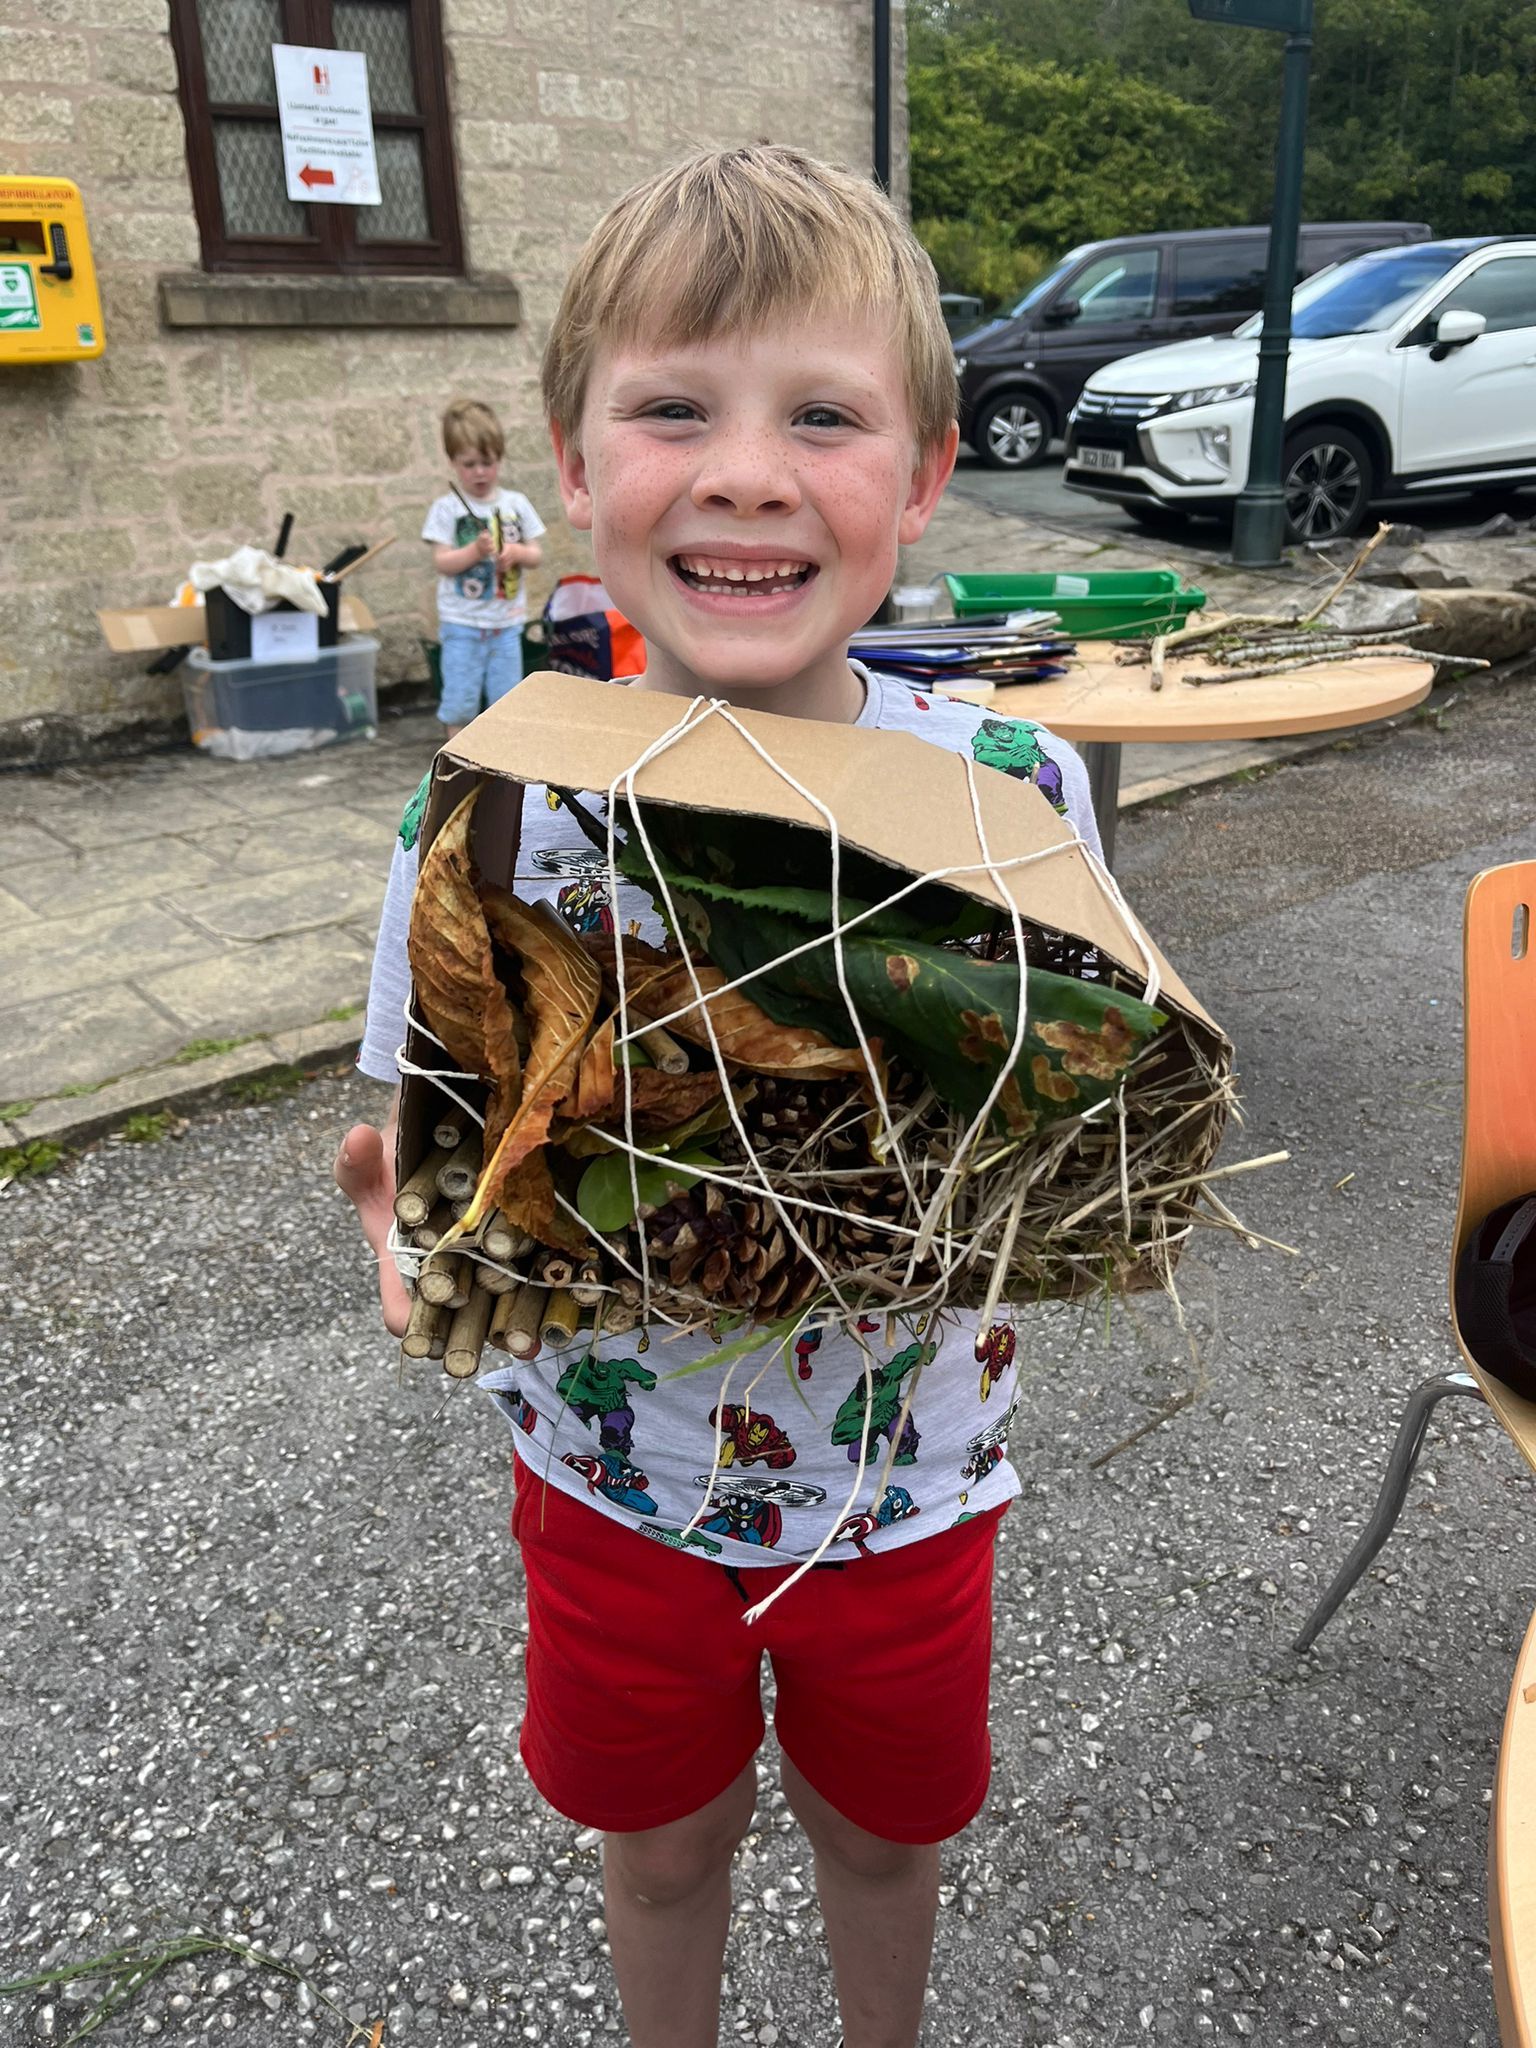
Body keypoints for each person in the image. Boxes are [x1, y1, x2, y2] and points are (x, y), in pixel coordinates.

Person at [338, 145, 1103, 2048]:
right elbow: (411, 1132)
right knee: (660, 1844)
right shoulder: (505, 802)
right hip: (614, 1482)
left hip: (906, 1481)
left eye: (821, 418)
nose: (749, 470)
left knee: (882, 1835)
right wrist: (405, 1231)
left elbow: (1085, 1109)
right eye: (675, 407)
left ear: (923, 472)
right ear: (575, 464)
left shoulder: (1011, 791)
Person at [423, 398, 547, 736]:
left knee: (507, 703)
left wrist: (517, 553)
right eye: (469, 464)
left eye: (487, 462)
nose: (479, 472)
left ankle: (501, 766)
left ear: (500, 458)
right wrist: (474, 552)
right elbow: (443, 563)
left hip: (505, 625)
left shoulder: (515, 504)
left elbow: (536, 554)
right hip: (462, 625)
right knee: (460, 702)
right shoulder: (446, 509)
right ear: (453, 462)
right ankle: (457, 761)